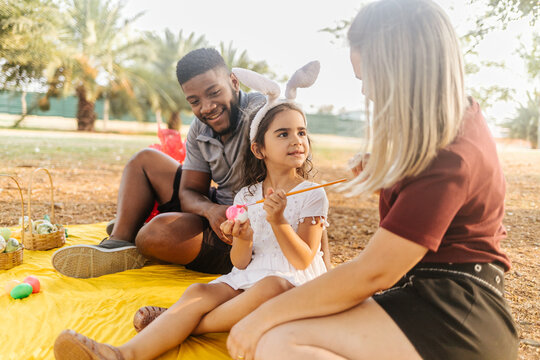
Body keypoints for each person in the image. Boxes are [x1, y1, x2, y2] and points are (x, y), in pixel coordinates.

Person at [224, 1, 520, 360]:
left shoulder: (450, 152)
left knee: (275, 339)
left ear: (400, 66)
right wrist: (393, 177)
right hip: (426, 293)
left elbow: (374, 271)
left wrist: (261, 316)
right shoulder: (453, 123)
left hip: (458, 314)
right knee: (279, 337)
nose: (365, 93)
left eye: (367, 78)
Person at [53, 62, 330, 360]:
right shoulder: (247, 195)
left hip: (291, 283)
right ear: (258, 149)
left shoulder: (312, 194)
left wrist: (278, 222)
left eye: (302, 133)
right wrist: (244, 239)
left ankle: (180, 323)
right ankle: (121, 354)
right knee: (199, 293)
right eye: (283, 134)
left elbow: (303, 261)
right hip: (250, 277)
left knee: (271, 286)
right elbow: (239, 261)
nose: (297, 141)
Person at [51, 48, 332, 278]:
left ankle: (141, 234)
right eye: (194, 100)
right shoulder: (201, 128)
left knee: (155, 234)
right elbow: (188, 193)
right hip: (217, 209)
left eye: (213, 92)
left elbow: (304, 187)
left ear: (234, 82)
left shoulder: (262, 115)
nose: (206, 107)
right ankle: (120, 243)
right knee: (144, 160)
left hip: (243, 231)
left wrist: (325, 267)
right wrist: (211, 211)